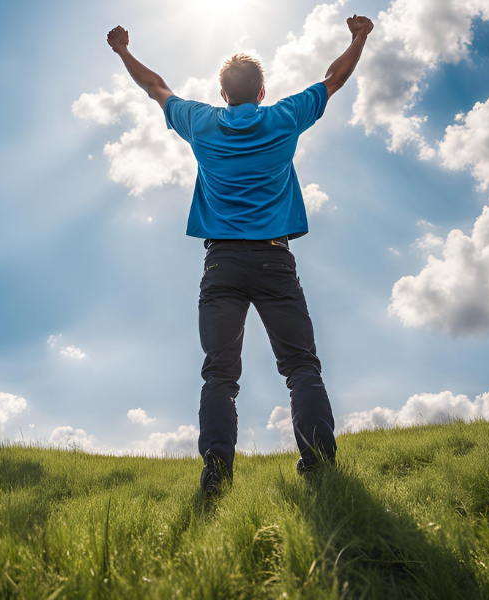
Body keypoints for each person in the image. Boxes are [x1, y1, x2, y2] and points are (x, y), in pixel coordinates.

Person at [106, 16, 374, 493]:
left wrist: (124, 51)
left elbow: (155, 86)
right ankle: (318, 464)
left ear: (223, 93)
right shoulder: (285, 117)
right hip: (274, 262)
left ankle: (217, 471)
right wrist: (359, 37)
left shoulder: (202, 123)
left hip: (222, 266)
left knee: (220, 374)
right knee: (301, 367)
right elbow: (333, 79)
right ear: (263, 91)